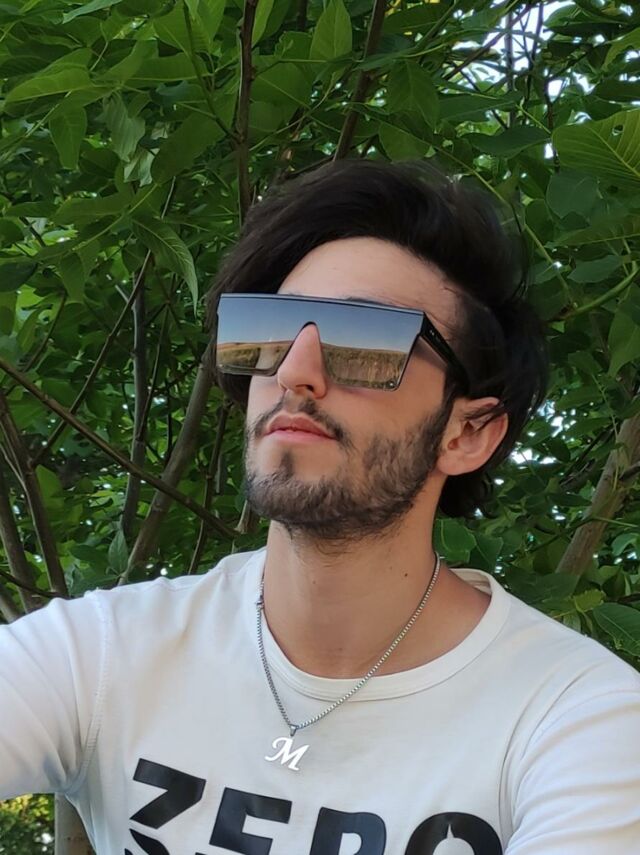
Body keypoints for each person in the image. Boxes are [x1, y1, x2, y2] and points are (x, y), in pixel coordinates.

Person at [1, 160, 639, 855]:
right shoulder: (100, 654)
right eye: (270, 332)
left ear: (467, 433)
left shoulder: (576, 719)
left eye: (363, 341)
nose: (294, 370)